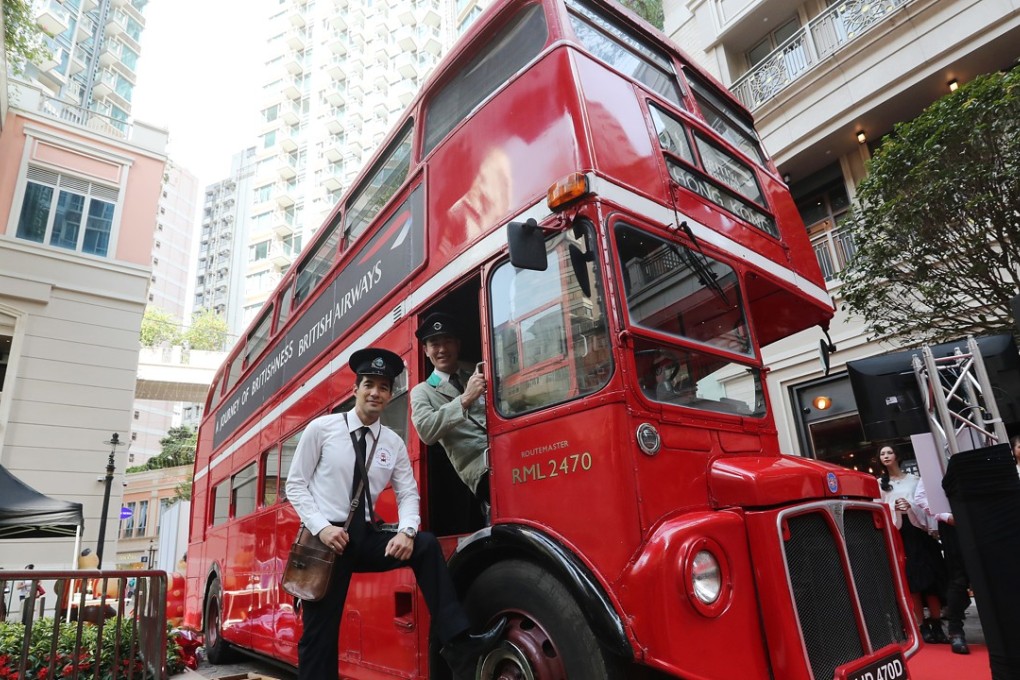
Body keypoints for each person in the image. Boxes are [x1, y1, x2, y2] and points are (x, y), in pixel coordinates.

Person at [285, 347, 505, 680]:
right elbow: (296, 486)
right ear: (355, 389)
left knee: (427, 546)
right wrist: (321, 529)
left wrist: (407, 531)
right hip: (325, 542)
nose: (375, 392)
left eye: (383, 387)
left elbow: (407, 493)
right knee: (320, 634)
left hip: (365, 537)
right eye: (369, 384)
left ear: (389, 395)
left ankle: (460, 645)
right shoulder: (323, 429)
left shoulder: (391, 442)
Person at [410, 313, 490, 507]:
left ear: (458, 345)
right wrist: (465, 399)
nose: (442, 349)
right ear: (425, 350)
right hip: (482, 470)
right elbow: (426, 431)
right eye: (435, 344)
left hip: (509, 449)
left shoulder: (477, 370)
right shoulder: (422, 391)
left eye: (448, 341)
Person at [876, 445, 949, 645]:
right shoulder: (879, 484)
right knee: (912, 581)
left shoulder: (914, 480)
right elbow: (878, 509)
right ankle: (921, 625)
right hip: (899, 535)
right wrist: (895, 509)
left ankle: (937, 623)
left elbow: (924, 503)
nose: (886, 456)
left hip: (919, 533)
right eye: (882, 454)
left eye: (889, 452)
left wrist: (909, 506)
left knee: (931, 578)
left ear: (897, 456)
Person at [914, 475, 972, 655]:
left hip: (982, 520)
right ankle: (956, 631)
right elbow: (920, 497)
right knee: (958, 578)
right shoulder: (935, 461)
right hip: (952, 525)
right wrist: (945, 516)